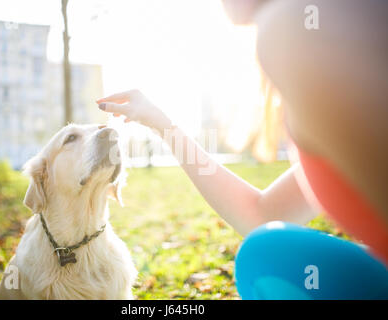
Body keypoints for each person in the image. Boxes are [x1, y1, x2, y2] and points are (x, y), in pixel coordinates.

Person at [97, 0, 388, 299]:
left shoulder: (291, 25)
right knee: (267, 257)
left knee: (267, 263)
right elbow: (262, 215)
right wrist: (161, 123)